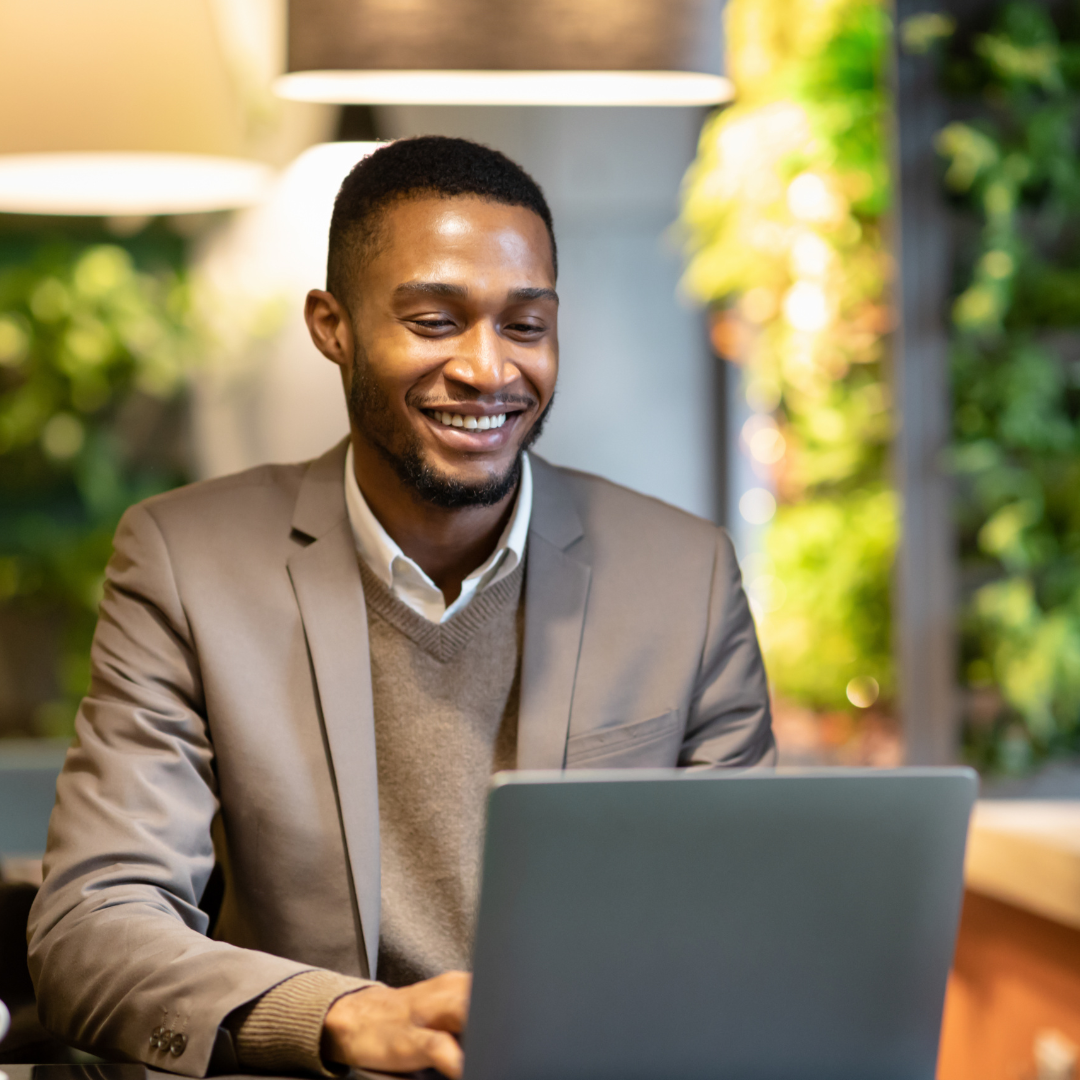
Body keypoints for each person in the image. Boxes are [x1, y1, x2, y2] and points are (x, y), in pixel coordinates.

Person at [27, 136, 774, 1079]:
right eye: (433, 321)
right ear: (331, 326)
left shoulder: (686, 575)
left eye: (525, 325)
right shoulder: (187, 562)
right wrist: (337, 1017)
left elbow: (748, 924)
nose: (487, 369)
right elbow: (93, 924)